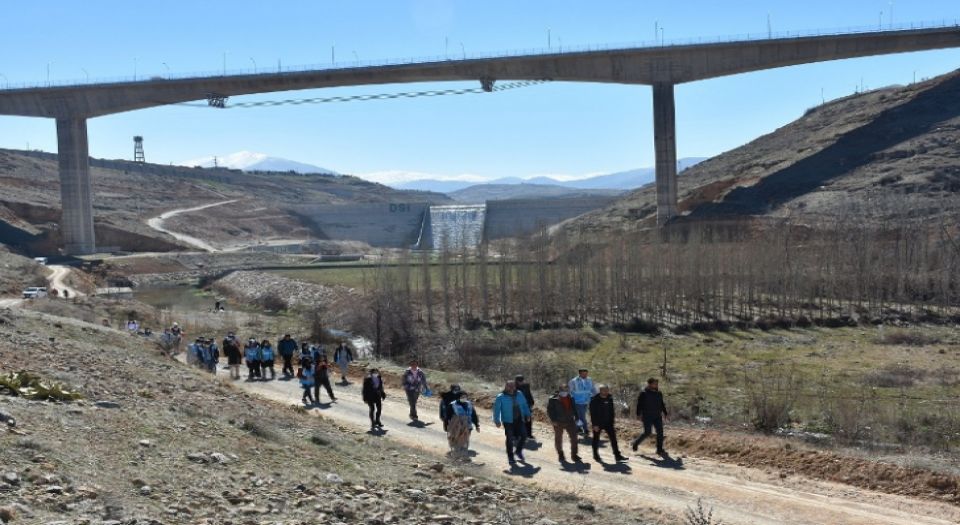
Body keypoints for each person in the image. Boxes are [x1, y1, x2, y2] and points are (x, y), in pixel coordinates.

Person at [492, 380, 532, 466]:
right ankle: (510, 457)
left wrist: (528, 414)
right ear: (505, 386)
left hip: (519, 419)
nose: (511, 388)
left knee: (524, 435)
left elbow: (524, 404)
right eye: (509, 386)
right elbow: (496, 410)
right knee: (510, 439)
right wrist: (497, 420)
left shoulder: (519, 394)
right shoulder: (501, 397)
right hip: (508, 421)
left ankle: (518, 451)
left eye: (513, 386)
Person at [632, 377, 669, 456]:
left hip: (657, 416)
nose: (656, 385)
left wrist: (665, 413)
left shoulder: (659, 393)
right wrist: (638, 414)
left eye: (657, 384)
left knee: (660, 432)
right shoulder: (643, 393)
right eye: (654, 383)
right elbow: (639, 405)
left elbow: (662, 404)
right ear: (649, 384)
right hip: (647, 416)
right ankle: (636, 443)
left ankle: (659, 449)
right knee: (647, 432)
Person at [590, 384, 626, 463]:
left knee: (613, 439)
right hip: (598, 423)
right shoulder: (594, 400)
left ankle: (617, 455)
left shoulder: (610, 398)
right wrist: (594, 424)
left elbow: (611, 410)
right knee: (596, 439)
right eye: (604, 390)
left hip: (608, 423)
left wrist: (612, 421)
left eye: (607, 390)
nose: (606, 391)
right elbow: (592, 413)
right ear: (600, 391)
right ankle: (595, 455)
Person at [547, 383, 581, 463]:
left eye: (566, 390)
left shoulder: (571, 397)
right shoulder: (553, 399)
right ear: (559, 390)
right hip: (558, 422)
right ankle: (560, 454)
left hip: (570, 421)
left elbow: (574, 408)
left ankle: (574, 455)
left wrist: (577, 418)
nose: (565, 391)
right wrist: (553, 420)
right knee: (558, 439)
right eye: (563, 390)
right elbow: (550, 411)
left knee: (574, 438)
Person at [447, 390, 480, 461]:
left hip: (467, 427)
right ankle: (455, 457)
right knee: (455, 442)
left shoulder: (469, 404)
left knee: (465, 442)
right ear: (458, 397)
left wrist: (477, 425)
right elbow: (448, 417)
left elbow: (474, 415)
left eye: (465, 397)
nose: (464, 398)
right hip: (456, 428)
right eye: (462, 397)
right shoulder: (452, 405)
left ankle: (463, 457)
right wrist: (447, 426)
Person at [569, 369, 598, 438]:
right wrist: (572, 400)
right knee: (582, 416)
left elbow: (593, 389)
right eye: (584, 374)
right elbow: (570, 391)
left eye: (586, 374)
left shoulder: (589, 380)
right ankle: (586, 429)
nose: (585, 375)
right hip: (577, 401)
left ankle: (577, 428)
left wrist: (596, 396)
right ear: (579, 374)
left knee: (579, 416)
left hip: (586, 401)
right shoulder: (573, 381)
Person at [515, 375, 535, 441]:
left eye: (522, 381)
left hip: (526, 405)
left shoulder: (526, 386)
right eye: (520, 381)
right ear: (517, 381)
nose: (521, 382)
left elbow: (529, 394)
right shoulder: (514, 387)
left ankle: (529, 434)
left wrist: (532, 402)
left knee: (528, 421)